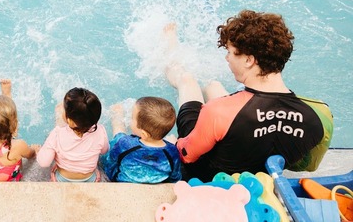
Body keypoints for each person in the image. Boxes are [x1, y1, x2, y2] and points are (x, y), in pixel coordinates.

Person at [165, 10, 333, 182]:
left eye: (230, 52)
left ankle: (171, 49)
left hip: (214, 179)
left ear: (249, 60)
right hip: (257, 179)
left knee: (187, 80)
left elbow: (187, 155)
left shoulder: (216, 112)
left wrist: (172, 144)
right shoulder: (315, 118)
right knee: (213, 85)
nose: (227, 58)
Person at [100, 97, 181, 184]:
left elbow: (109, 165)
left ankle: (117, 117)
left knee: (119, 135)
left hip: (123, 180)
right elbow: (175, 177)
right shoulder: (172, 151)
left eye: (132, 118)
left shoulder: (125, 144)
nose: (130, 121)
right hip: (161, 157)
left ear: (144, 134)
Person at [36, 87, 109, 182]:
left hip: (62, 179)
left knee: (57, 137)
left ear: (70, 121)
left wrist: (39, 152)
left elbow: (44, 162)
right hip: (90, 179)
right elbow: (104, 150)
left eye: (64, 108)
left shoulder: (57, 133)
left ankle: (58, 121)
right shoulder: (100, 131)